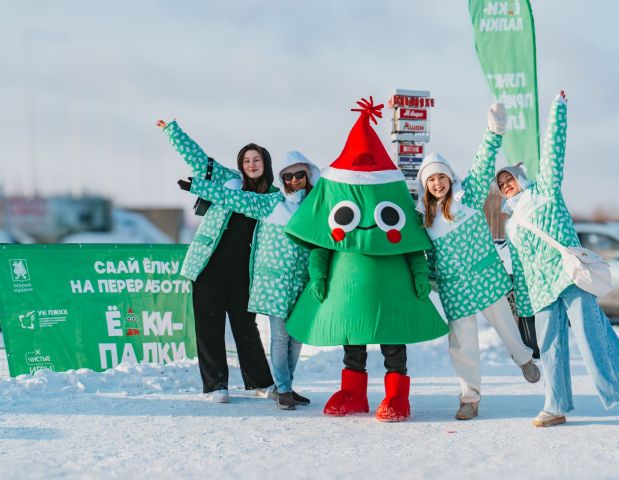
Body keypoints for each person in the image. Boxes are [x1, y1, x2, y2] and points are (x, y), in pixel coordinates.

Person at [283, 97, 448, 422]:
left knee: (393, 342)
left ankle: (397, 396)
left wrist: (418, 274)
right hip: (349, 298)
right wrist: (318, 278)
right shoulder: (335, 216)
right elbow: (321, 248)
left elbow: (413, 247)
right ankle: (353, 393)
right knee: (352, 342)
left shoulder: (396, 207)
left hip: (393, 294)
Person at [495, 91, 619, 428]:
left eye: (509, 178)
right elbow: (518, 264)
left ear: (520, 178)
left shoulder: (545, 191)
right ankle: (555, 405)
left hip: (570, 275)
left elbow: (553, 153)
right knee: (548, 347)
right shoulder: (510, 222)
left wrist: (558, 111)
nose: (506, 185)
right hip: (539, 289)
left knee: (593, 338)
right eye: (501, 183)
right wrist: (522, 301)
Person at [416, 102, 540, 421]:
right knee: (463, 344)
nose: (438, 184)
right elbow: (427, 257)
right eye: (431, 181)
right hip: (455, 289)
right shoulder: (424, 221)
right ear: (425, 187)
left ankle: (523, 357)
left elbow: (483, 162)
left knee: (505, 323)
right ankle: (469, 397)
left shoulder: (467, 196)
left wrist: (494, 131)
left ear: (449, 177)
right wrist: (429, 281)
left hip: (485, 276)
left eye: (441, 177)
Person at [184, 151, 320, 410]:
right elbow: (232, 197)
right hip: (273, 282)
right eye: (288, 176)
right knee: (279, 336)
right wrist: (197, 185)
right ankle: (277, 388)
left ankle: (282, 385)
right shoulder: (270, 202)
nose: (293, 180)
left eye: (299, 175)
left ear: (309, 175)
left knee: (296, 336)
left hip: (302, 283)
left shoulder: (315, 207)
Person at [156, 119, 275, 403]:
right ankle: (215, 385)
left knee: (246, 327)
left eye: (256, 159)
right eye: (246, 160)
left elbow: (242, 203)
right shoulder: (227, 179)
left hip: (244, 271)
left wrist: (202, 188)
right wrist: (173, 131)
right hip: (209, 266)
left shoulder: (271, 197)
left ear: (265, 163)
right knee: (208, 325)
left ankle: (259, 382)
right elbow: (197, 158)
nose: (251, 164)